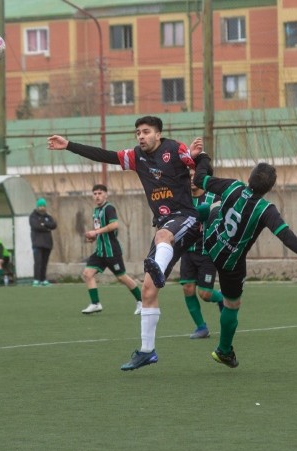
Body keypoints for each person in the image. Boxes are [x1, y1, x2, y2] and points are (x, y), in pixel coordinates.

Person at [48, 115, 203, 371]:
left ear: (158, 134)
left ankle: (158, 269)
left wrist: (198, 158)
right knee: (148, 290)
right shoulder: (136, 157)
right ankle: (147, 351)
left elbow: (200, 167)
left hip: (186, 218)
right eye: (138, 133)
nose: (141, 136)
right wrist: (69, 145)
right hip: (164, 225)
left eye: (146, 132)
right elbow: (105, 155)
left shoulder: (174, 148)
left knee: (162, 238)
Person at [192, 157, 297, 367]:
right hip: (230, 263)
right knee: (232, 304)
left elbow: (199, 178)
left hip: (210, 242)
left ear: (250, 177)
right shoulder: (265, 210)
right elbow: (287, 237)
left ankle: (183, 219)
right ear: (269, 188)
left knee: (214, 207)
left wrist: (201, 158)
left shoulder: (233, 185)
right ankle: (224, 351)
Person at [80, 184, 143, 315]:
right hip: (100, 251)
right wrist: (92, 237)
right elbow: (100, 231)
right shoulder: (96, 211)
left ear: (106, 195)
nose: (97, 196)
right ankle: (95, 303)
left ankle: (142, 301)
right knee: (87, 273)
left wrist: (96, 232)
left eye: (100, 193)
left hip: (112, 251)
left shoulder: (109, 208)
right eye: (95, 193)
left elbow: (114, 225)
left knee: (122, 277)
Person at [180, 169, 224, 339]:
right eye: (188, 176)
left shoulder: (215, 198)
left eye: (193, 176)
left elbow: (223, 220)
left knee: (205, 294)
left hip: (207, 252)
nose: (191, 180)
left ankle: (221, 298)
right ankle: (201, 327)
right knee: (188, 288)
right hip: (187, 250)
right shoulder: (182, 198)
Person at [29, 197, 56, 286]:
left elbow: (54, 225)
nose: (42, 208)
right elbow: (36, 226)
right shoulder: (33, 216)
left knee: (44, 263)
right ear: (37, 206)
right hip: (37, 243)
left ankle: (43, 279)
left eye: (43, 206)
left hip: (47, 244)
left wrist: (44, 224)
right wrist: (46, 227)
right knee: (38, 262)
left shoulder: (48, 216)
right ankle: (36, 279)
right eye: (40, 206)